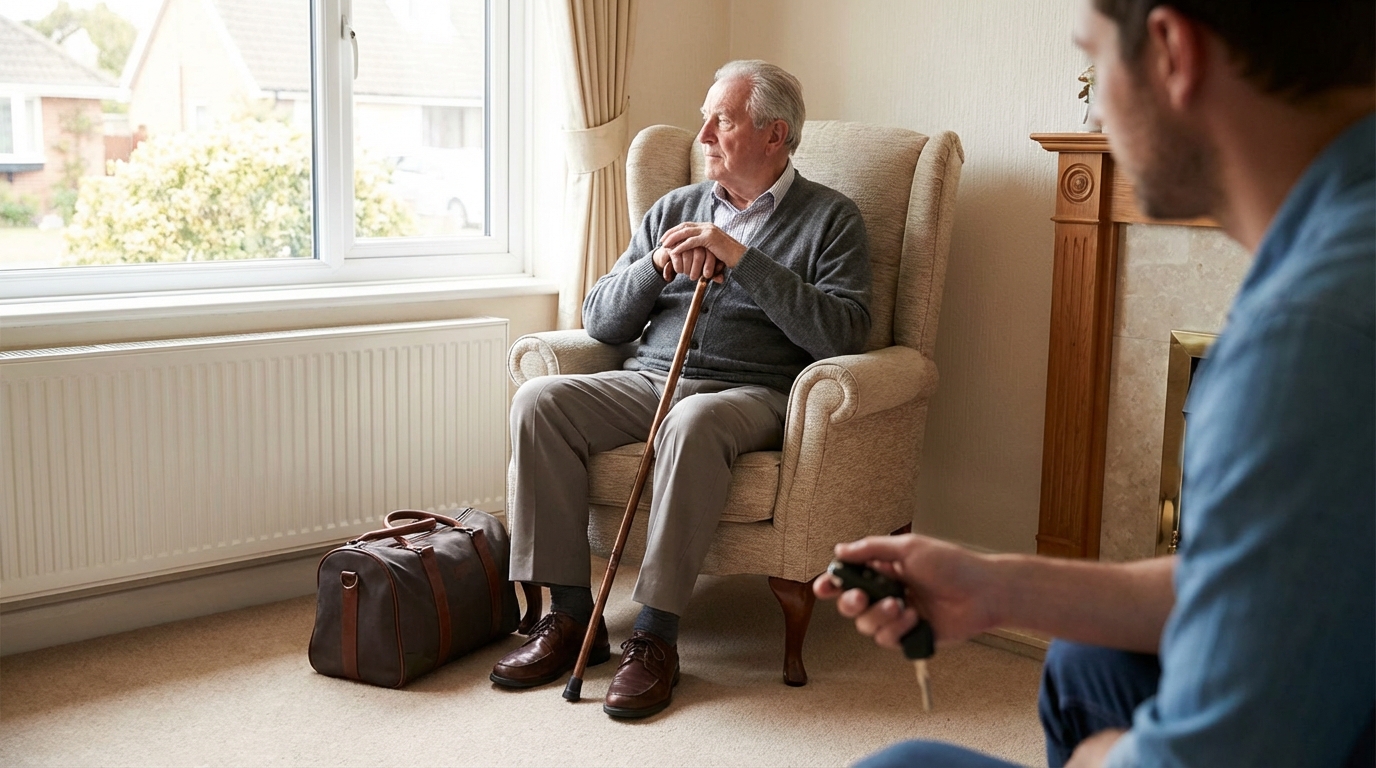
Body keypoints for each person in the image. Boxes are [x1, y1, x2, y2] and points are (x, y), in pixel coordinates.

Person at [816, 0, 1374, 766]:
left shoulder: (1304, 345)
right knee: (1088, 661)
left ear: (1174, 52)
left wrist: (1104, 753)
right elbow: (1267, 575)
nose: (1097, 99)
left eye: (1094, 60)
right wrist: (998, 587)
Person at [492, 59, 872, 720]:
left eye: (720, 121)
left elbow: (842, 336)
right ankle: (572, 619)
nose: (703, 136)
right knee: (539, 402)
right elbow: (601, 319)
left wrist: (740, 258)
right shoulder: (674, 207)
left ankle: (655, 637)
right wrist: (655, 264)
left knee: (692, 421)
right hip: (646, 379)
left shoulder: (832, 221)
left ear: (773, 135)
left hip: (748, 393)